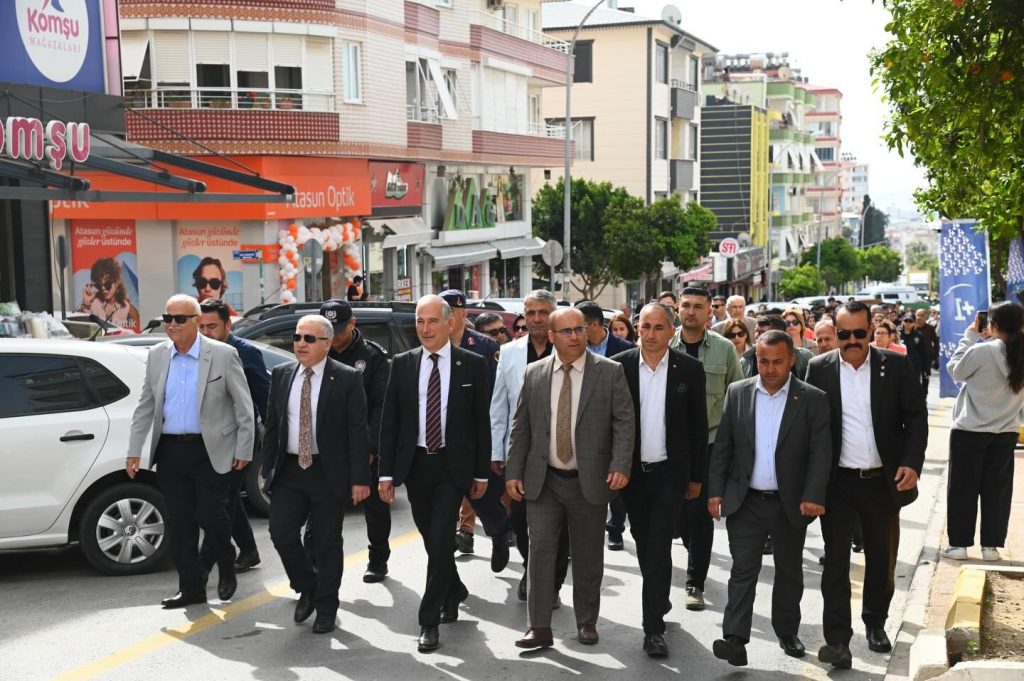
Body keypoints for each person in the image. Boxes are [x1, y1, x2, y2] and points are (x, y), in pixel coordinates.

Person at [806, 301, 928, 669]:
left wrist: (911, 462)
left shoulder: (896, 365)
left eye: (860, 333)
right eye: (844, 334)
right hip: (838, 484)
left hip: (881, 482)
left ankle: (875, 623)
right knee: (835, 564)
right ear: (835, 333)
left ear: (871, 331)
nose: (852, 341)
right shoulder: (819, 368)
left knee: (881, 560)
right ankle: (837, 640)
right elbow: (810, 427)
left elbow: (916, 418)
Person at [505, 307, 634, 650]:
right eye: (566, 331)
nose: (575, 336)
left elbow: (624, 422)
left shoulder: (609, 372)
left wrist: (620, 464)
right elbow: (521, 427)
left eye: (580, 329)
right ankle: (539, 627)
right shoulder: (534, 373)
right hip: (544, 479)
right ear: (551, 336)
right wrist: (513, 471)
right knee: (540, 552)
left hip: (588, 479)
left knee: (588, 555)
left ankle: (586, 621)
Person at [707, 330, 832, 667]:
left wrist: (813, 495)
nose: (770, 368)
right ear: (756, 359)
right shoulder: (738, 392)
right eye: (764, 361)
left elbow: (820, 453)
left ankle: (787, 632)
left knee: (789, 570)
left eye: (778, 361)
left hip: (789, 503)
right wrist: (715, 490)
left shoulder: (812, 399)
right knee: (742, 570)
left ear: (791, 360)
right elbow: (723, 446)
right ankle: (735, 639)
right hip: (745, 501)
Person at [377, 295, 491, 653]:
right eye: (419, 321)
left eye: (432, 321)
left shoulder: (471, 364)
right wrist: (385, 474)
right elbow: (390, 423)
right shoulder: (402, 364)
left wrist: (481, 473)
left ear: (450, 323)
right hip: (415, 466)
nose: (425, 329)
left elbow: (481, 424)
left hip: (451, 466)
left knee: (441, 536)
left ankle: (429, 620)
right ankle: (454, 589)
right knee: (433, 539)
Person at [126, 295, 255, 608]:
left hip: (211, 449)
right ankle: (191, 588)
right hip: (170, 450)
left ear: (196, 322)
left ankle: (226, 562)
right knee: (180, 524)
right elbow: (146, 405)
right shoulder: (157, 355)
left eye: (180, 319)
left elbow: (244, 406)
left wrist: (245, 448)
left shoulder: (223, 354)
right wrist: (134, 450)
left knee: (212, 516)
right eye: (167, 318)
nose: (172, 324)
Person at [262, 315, 370, 634]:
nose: (301, 344)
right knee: (280, 532)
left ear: (326, 343)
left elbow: (357, 430)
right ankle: (307, 585)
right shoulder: (282, 374)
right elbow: (272, 426)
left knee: (326, 542)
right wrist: (268, 470)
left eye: (309, 339)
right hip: (290, 470)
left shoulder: (347, 378)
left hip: (328, 472)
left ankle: (326, 607)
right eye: (297, 337)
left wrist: (360, 478)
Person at [613, 303, 708, 658]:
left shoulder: (689, 369)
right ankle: (659, 597)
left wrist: (696, 477)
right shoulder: (619, 366)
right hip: (633, 475)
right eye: (644, 326)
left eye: (657, 327)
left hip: (671, 473)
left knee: (658, 545)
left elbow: (699, 427)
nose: (650, 334)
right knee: (643, 541)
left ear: (671, 331)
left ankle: (653, 628)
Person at [490, 290, 570, 603]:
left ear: (554, 314)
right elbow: (499, 406)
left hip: (564, 452)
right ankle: (531, 569)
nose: (536, 319)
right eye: (531, 313)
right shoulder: (509, 353)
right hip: (521, 453)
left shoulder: (569, 346)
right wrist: (497, 452)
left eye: (543, 312)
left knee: (560, 524)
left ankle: (552, 585)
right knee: (521, 518)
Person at [670, 286, 744, 610]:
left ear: (709, 312)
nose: (691, 311)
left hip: (710, 444)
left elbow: (737, 396)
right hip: (671, 446)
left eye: (698, 306)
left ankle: (694, 582)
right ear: (678, 308)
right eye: (686, 305)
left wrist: (734, 449)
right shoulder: (664, 345)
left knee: (700, 514)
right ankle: (694, 553)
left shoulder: (724, 349)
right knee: (678, 517)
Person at [318, 299, 392, 583]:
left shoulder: (371, 356)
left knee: (375, 509)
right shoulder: (317, 350)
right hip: (328, 447)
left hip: (364, 444)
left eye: (338, 330)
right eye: (328, 330)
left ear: (352, 324)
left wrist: (370, 448)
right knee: (323, 509)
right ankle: (318, 563)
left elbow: (381, 406)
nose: (334, 337)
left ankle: (378, 559)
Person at [943, 303, 1024, 561]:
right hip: (1006, 430)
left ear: (994, 325)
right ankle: (991, 546)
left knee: (962, 489)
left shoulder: (982, 350)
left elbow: (955, 370)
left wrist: (969, 337)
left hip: (970, 430)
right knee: (997, 491)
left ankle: (959, 545)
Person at [438, 289, 510, 571]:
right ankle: (447, 582)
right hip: (441, 442)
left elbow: (496, 397)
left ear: (463, 314)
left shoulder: (485, 347)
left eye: (452, 312)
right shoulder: (433, 345)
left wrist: (495, 445)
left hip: (476, 441)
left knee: (486, 502)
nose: (446, 318)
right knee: (440, 514)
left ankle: (499, 533)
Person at [197, 299, 269, 574]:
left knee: (221, 501)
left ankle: (205, 562)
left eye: (212, 326)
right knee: (228, 498)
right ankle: (249, 550)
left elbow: (263, 398)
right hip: (210, 438)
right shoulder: (199, 351)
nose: (206, 332)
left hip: (241, 437)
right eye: (201, 326)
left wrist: (268, 443)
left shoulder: (245, 353)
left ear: (228, 324)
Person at [742, 316, 814, 379]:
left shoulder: (804, 356)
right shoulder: (746, 361)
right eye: (756, 331)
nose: (756, 336)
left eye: (761, 332)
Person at [83, 257, 140, 329]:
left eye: (108, 284)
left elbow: (134, 330)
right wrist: (86, 302)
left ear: (117, 282)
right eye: (99, 285)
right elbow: (84, 327)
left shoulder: (127, 308)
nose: (103, 289)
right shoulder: (94, 305)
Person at [900, 314, 930, 385]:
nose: (908, 323)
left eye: (910, 321)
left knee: (914, 386)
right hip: (900, 365)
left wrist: (926, 369)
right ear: (903, 322)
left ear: (914, 323)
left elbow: (924, 353)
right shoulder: (897, 334)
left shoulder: (918, 335)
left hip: (914, 366)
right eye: (906, 321)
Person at [915, 308, 940, 373]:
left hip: (927, 357)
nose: (919, 317)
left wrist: (936, 355)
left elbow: (936, 342)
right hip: (914, 357)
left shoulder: (930, 329)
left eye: (922, 315)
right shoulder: (912, 328)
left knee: (925, 375)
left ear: (926, 317)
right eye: (918, 315)